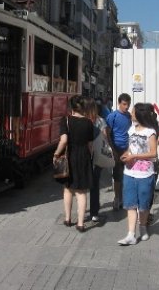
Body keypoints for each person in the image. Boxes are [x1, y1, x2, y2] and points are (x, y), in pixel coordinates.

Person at [117, 103, 159, 245]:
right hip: (129, 172)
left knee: (144, 205)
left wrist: (134, 157)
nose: (131, 113)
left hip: (146, 174)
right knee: (130, 204)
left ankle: (143, 226)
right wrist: (126, 154)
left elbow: (153, 153)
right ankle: (131, 235)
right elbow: (130, 148)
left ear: (140, 114)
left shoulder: (150, 132)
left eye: (133, 112)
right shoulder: (131, 129)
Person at [53, 95, 94, 232]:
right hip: (84, 157)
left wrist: (56, 153)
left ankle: (68, 218)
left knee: (68, 188)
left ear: (71, 107)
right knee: (81, 192)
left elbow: (63, 140)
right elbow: (90, 144)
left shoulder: (66, 120)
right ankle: (81, 223)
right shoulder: (89, 122)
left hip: (70, 156)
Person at [106, 93, 132, 210]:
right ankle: (117, 198)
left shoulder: (129, 117)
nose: (126, 107)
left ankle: (124, 198)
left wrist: (129, 149)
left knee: (127, 176)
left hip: (127, 150)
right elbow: (107, 133)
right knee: (117, 176)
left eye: (128, 104)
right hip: (116, 149)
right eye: (124, 104)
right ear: (119, 103)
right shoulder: (112, 116)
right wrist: (112, 148)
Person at [82, 97, 106, 222]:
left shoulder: (81, 121)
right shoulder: (100, 121)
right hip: (98, 157)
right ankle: (94, 212)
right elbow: (105, 137)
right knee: (95, 185)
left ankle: (82, 210)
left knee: (82, 185)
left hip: (83, 156)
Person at [146, 103, 159, 222]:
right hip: (152, 161)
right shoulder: (157, 124)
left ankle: (143, 213)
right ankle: (145, 214)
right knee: (150, 188)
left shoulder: (139, 125)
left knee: (145, 188)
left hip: (142, 161)